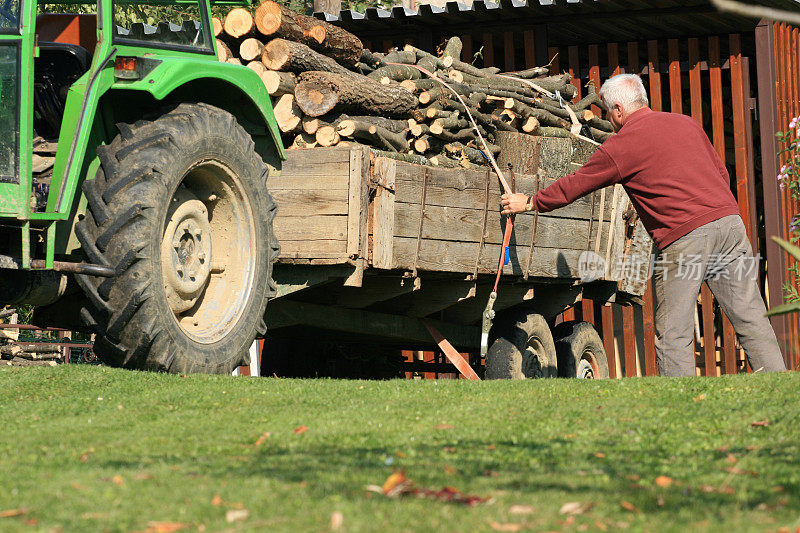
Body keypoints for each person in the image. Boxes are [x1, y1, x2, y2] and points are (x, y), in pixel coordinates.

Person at [500, 73, 786, 377]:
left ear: (619, 110)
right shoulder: (685, 123)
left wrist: (530, 202)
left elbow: (576, 184)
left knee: (674, 331)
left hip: (685, 237)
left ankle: (680, 401)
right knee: (750, 314)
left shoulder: (622, 145)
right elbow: (722, 174)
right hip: (729, 225)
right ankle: (778, 382)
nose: (610, 119)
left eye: (609, 113)